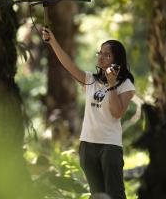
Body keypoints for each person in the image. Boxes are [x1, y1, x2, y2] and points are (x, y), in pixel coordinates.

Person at [42, 27, 135, 199]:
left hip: (110, 146)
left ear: (117, 60)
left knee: (115, 194)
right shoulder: (90, 80)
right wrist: (52, 41)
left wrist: (112, 84)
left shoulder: (126, 84)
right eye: (100, 52)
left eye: (107, 54)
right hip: (87, 145)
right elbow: (68, 64)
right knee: (97, 195)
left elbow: (116, 113)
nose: (101, 56)